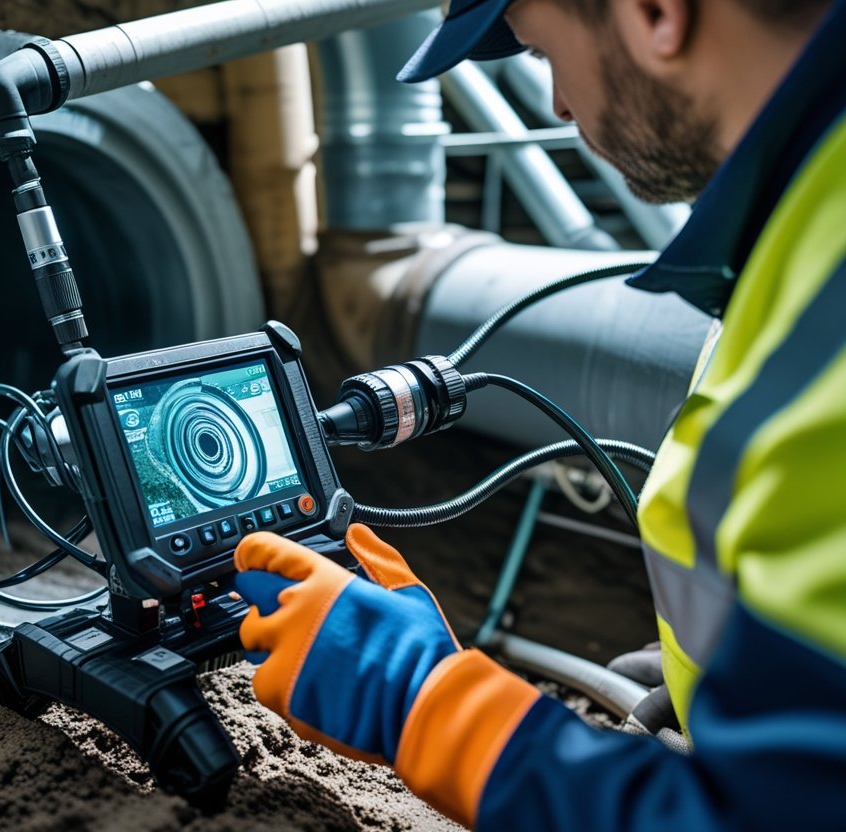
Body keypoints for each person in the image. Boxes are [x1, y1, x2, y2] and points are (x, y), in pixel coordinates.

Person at [232, 0, 846, 827]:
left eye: (542, 50)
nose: (557, 103)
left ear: (656, 13)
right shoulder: (812, 218)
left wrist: (422, 699)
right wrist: (729, 682)